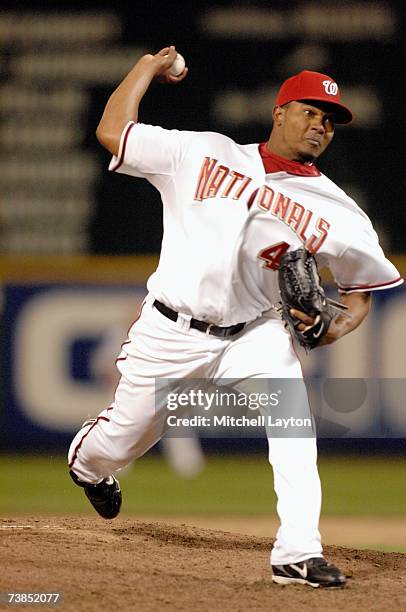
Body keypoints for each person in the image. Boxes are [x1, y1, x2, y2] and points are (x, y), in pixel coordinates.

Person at [68, 46, 402, 588]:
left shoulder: (341, 212)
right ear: (280, 112)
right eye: (310, 111)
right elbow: (113, 131)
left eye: (330, 120)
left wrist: (333, 327)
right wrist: (148, 68)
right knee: (118, 445)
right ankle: (88, 463)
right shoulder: (202, 153)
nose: (320, 125)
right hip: (171, 330)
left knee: (293, 425)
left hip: (257, 331)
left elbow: (364, 289)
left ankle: (297, 552)